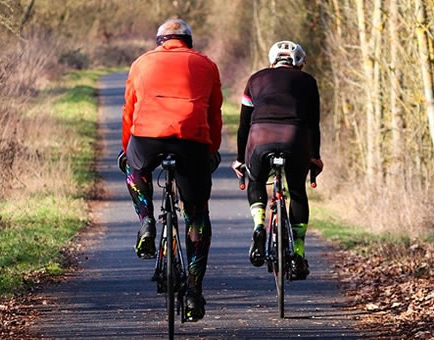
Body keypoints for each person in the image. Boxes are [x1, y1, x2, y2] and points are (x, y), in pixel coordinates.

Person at [119, 18, 222, 321]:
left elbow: (129, 110)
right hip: (192, 140)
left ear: (159, 41)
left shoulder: (141, 63)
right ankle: (193, 291)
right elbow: (213, 113)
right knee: (197, 214)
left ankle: (147, 221)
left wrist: (128, 150)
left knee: (135, 170)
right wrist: (212, 149)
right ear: (188, 42)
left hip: (147, 137)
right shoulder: (207, 65)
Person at [231, 41, 322, 280]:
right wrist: (315, 157)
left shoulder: (255, 79)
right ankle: (299, 253)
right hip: (296, 138)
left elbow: (243, 126)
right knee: (297, 193)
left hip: (260, 137)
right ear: (299, 63)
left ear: (272, 61)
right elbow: (313, 124)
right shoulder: (308, 82)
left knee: (257, 181)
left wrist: (241, 159)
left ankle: (259, 225)